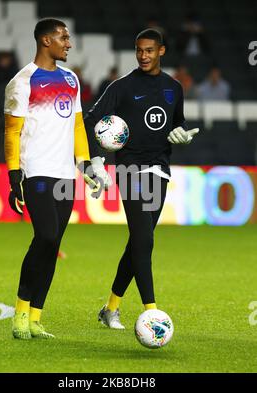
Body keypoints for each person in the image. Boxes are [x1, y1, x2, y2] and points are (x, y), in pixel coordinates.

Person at [84, 28, 199, 329]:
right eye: (139, 50)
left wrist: (182, 135)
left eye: (149, 50)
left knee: (139, 242)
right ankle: (152, 313)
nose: (143, 55)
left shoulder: (174, 88)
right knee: (144, 240)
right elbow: (91, 117)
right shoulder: (121, 87)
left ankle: (110, 309)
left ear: (161, 51)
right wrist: (97, 159)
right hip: (130, 169)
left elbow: (178, 122)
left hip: (159, 169)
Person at [4, 18, 111, 339]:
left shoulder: (71, 79)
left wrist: (86, 164)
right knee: (47, 236)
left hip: (66, 173)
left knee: (53, 246)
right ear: (45, 41)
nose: (69, 43)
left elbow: (78, 126)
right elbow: (12, 131)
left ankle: (36, 317)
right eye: (63, 37)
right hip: (36, 171)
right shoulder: (23, 82)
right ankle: (20, 311)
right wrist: (14, 177)